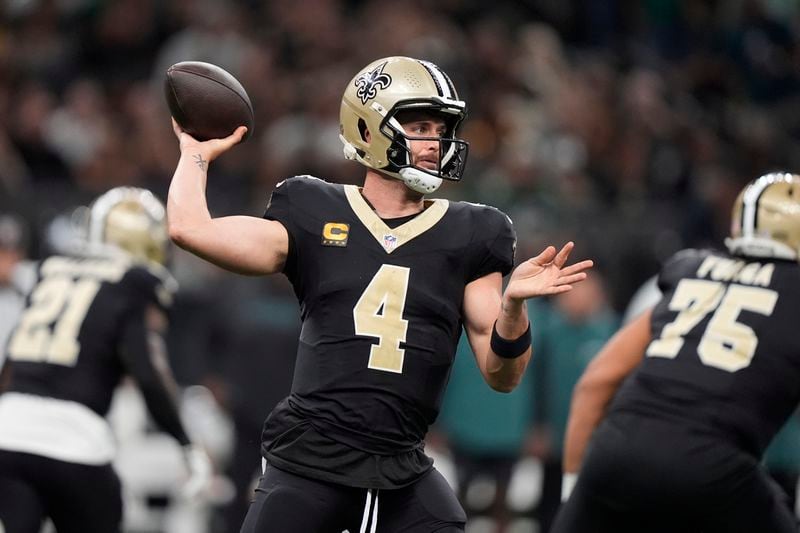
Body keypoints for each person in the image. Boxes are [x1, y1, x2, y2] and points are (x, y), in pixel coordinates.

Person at [167, 55, 593, 533]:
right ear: (369, 131)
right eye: (420, 126)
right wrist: (194, 154)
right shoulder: (310, 206)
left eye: (441, 128)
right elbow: (189, 229)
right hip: (312, 461)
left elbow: (502, 375)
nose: (435, 142)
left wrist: (513, 308)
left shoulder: (475, 232)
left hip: (401, 469)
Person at [552, 172, 800, 533]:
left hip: (615, 455)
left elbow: (596, 381)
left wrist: (579, 493)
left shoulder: (692, 271)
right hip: (714, 467)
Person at [0, 187, 211, 533]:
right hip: (74, 441)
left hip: (7, 432)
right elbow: (148, 373)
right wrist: (186, 443)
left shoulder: (49, 269)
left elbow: (12, 359)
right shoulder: (133, 282)